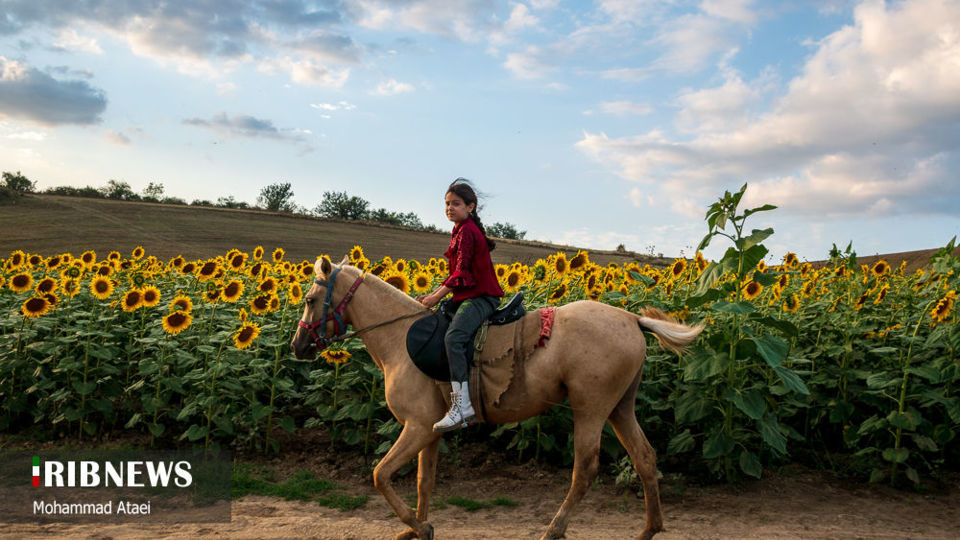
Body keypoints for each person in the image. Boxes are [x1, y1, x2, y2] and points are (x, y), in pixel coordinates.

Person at [417, 178, 504, 432]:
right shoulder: (459, 231)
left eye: (456, 203)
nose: (449, 208)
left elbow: (460, 273)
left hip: (481, 297)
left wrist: (435, 297)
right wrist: (431, 295)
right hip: (467, 296)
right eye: (446, 204)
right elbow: (455, 274)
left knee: (454, 338)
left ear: (471, 207)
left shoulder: (467, 231)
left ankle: (462, 406)